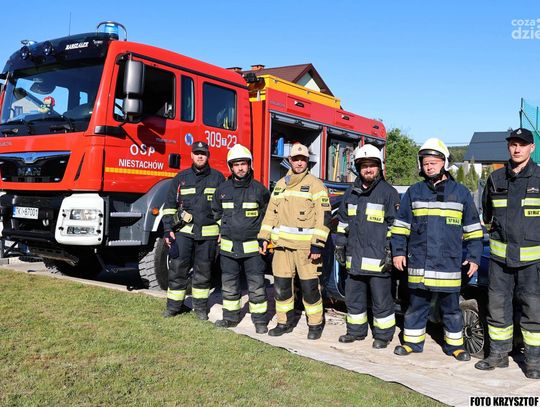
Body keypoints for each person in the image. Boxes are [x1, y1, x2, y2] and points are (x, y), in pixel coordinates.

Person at [391, 138, 483, 360]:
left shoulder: (460, 193)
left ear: (445, 163)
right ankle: (412, 343)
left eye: (433, 162)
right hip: (419, 264)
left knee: (451, 309)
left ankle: (455, 347)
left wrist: (474, 257)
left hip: (448, 264)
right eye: (425, 163)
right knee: (416, 307)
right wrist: (398, 252)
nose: (429, 167)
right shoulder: (414, 192)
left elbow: (473, 230)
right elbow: (400, 227)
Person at [475, 128, 540, 379]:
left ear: (532, 148)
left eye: (522, 144)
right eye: (513, 144)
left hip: (533, 263)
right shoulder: (496, 178)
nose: (517, 148)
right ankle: (498, 355)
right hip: (500, 261)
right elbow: (487, 215)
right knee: (497, 308)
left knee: (533, 312)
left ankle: (533, 361)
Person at [258, 143, 331, 340]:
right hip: (281, 248)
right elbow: (271, 213)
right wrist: (263, 237)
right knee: (281, 288)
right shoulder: (281, 184)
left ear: (307, 162)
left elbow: (323, 217)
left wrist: (317, 244)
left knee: (310, 289)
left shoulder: (316, 185)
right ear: (290, 160)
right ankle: (284, 322)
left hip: (306, 250)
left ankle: (315, 324)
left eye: (303, 159)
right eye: (296, 159)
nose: (299, 163)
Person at [334, 144, 400, 349]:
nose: (368, 169)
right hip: (354, 259)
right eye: (364, 166)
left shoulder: (388, 193)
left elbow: (396, 227)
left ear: (379, 167)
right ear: (358, 168)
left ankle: (383, 336)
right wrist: (340, 245)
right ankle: (355, 331)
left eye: (372, 165)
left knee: (382, 302)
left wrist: (390, 252)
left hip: (379, 261)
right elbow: (343, 222)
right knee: (354, 299)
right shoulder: (351, 193)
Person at [211, 144, 271, 334]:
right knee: (229, 285)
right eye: (236, 165)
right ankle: (230, 317)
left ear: (249, 165)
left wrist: (264, 239)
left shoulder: (259, 190)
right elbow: (216, 212)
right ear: (230, 167)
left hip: (253, 250)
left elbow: (268, 216)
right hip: (228, 249)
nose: (240, 168)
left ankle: (259, 320)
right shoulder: (222, 190)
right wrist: (223, 228)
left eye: (243, 164)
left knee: (256, 286)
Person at [162, 141, 225, 320]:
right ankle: (173, 307)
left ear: (208, 156)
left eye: (203, 153)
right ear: (191, 155)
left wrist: (223, 229)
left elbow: (224, 207)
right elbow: (170, 206)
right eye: (197, 153)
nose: (200, 156)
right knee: (177, 269)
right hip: (183, 233)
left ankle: (200, 309)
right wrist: (168, 229)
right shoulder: (181, 178)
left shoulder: (218, 178)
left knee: (203, 273)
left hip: (208, 236)